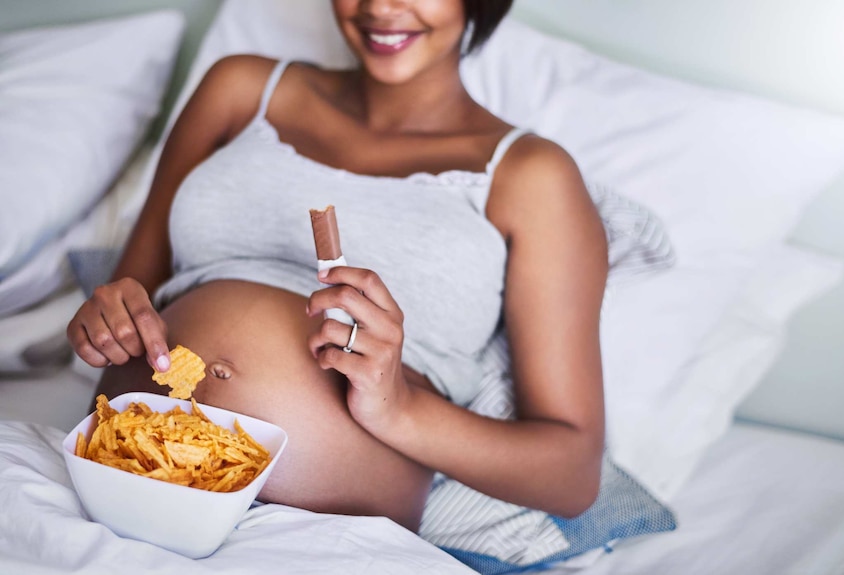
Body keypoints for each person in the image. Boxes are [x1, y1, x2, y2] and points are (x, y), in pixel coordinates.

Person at [66, 0, 608, 533]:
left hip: (316, 535)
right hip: (114, 484)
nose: (381, 6)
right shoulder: (239, 88)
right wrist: (106, 319)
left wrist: (398, 408)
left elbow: (571, 477)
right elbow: (132, 292)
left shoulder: (535, 176)